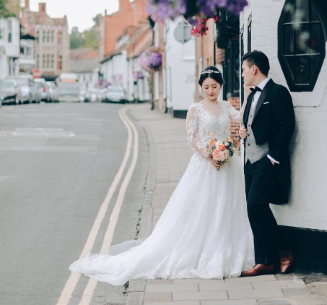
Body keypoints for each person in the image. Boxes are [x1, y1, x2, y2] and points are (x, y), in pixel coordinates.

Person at [69, 66, 254, 285]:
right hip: (205, 164)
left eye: (214, 86)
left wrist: (248, 93)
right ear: (201, 87)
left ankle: (226, 250)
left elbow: (241, 116)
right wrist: (208, 155)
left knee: (227, 206)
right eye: (206, 87)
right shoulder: (196, 109)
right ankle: (198, 250)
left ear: (220, 86)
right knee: (201, 208)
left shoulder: (225, 107)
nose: (211, 91)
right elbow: (192, 138)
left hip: (226, 165)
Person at [239, 51, 295, 277]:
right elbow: (251, 124)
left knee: (256, 205)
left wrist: (273, 157)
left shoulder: (278, 92)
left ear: (254, 69)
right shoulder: (251, 96)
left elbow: (287, 126)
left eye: (243, 70)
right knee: (252, 210)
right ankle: (265, 261)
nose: (242, 75)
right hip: (250, 162)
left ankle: (283, 250)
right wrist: (243, 132)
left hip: (267, 161)